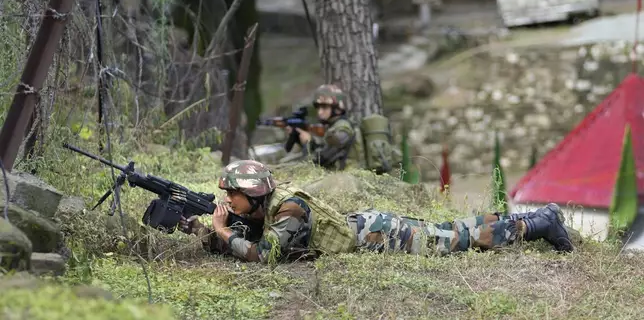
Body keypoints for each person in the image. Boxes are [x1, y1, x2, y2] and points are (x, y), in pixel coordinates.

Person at [179, 160, 575, 263]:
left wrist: (224, 231)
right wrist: (207, 230)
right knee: (448, 229)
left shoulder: (290, 208)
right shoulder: (270, 205)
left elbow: (267, 256)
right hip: (369, 226)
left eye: (233, 195)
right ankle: (535, 218)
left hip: (376, 236)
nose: (228, 202)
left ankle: (540, 223)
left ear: (254, 193)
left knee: (456, 240)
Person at [285, 84, 356, 171]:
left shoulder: (342, 128)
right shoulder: (333, 126)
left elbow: (319, 161)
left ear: (336, 108)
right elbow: (324, 149)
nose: (320, 112)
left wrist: (307, 143)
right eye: (318, 107)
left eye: (324, 107)